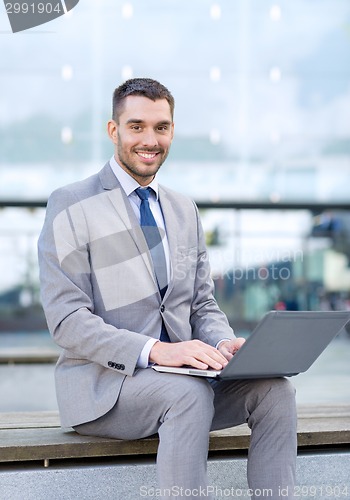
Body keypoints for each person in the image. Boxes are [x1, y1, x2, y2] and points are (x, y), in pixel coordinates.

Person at [38, 78, 297, 499]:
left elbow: (200, 303)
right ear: (113, 130)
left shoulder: (183, 209)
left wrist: (224, 344)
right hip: (106, 389)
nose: (150, 139)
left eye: (161, 127)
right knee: (188, 394)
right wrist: (156, 351)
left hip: (185, 378)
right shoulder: (71, 204)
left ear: (172, 131)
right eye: (136, 126)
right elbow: (67, 321)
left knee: (275, 391)